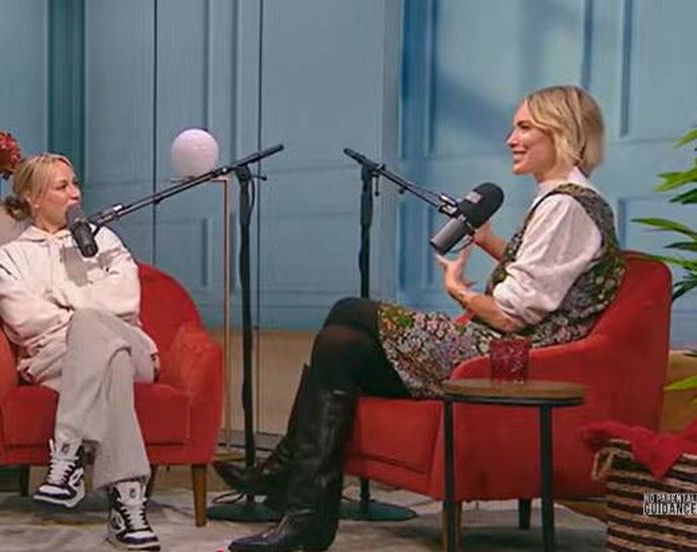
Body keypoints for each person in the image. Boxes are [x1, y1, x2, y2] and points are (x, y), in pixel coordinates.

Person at [213, 84, 626, 552]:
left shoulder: (565, 205)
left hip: (512, 361)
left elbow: (513, 314)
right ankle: (304, 516)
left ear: (562, 132)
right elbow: (546, 279)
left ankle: (288, 479)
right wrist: (490, 243)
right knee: (339, 345)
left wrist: (459, 291)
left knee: (350, 311)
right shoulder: (561, 200)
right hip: (503, 349)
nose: (511, 138)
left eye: (525, 127)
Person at [0, 153, 162, 551]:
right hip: (56, 359)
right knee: (108, 356)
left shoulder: (103, 239)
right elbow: (23, 319)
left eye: (74, 183)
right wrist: (86, 315)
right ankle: (128, 507)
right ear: (33, 198)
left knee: (97, 331)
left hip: (132, 346)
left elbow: (125, 301)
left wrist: (68, 303)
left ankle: (66, 455)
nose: (75, 193)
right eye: (61, 186)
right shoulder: (9, 256)